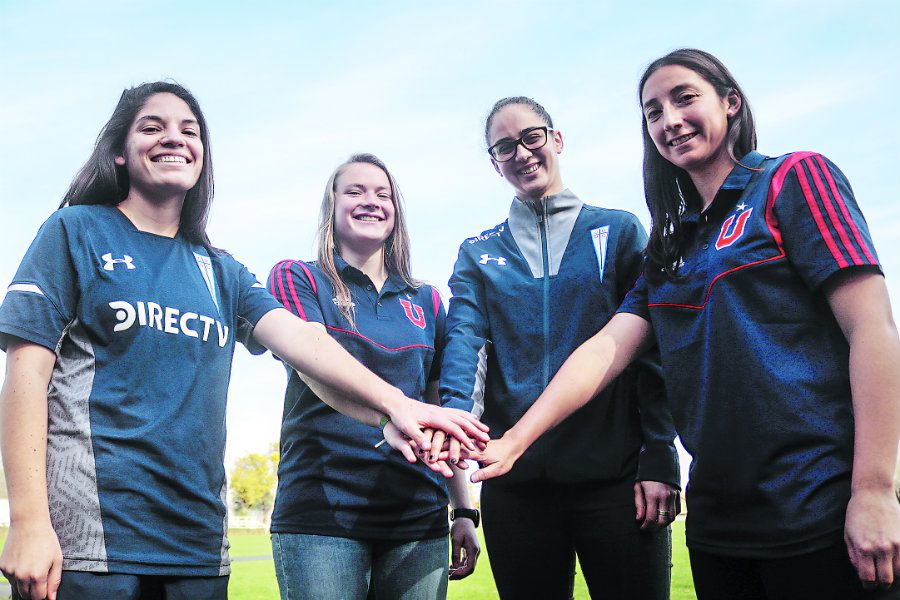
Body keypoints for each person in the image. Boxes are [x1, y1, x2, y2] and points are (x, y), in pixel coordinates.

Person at [0, 82, 486, 600]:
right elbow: (26, 376)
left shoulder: (221, 270)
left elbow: (304, 344)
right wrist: (27, 520)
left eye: (190, 131)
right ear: (119, 150)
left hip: (199, 549)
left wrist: (395, 409)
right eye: (152, 127)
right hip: (93, 546)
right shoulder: (75, 232)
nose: (174, 139)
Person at [470, 49, 900, 600]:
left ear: (731, 102)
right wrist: (514, 442)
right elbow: (606, 351)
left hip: (816, 504)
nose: (668, 119)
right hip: (719, 525)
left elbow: (873, 330)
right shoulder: (671, 248)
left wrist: (871, 489)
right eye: (652, 112)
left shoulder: (793, 178)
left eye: (684, 97)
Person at [439, 96, 681, 599]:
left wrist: (659, 455)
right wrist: (456, 421)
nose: (522, 153)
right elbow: (466, 342)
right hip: (515, 484)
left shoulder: (618, 230)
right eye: (505, 147)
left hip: (618, 483)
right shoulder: (478, 253)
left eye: (532, 137)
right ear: (494, 162)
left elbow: (650, 350)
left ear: (556, 140)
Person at [266, 153, 480, 600]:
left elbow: (439, 407)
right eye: (356, 191)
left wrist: (463, 509)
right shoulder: (297, 277)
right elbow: (311, 363)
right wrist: (390, 413)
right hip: (323, 516)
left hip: (417, 518)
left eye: (383, 193)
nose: (371, 201)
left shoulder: (427, 300)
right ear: (333, 205)